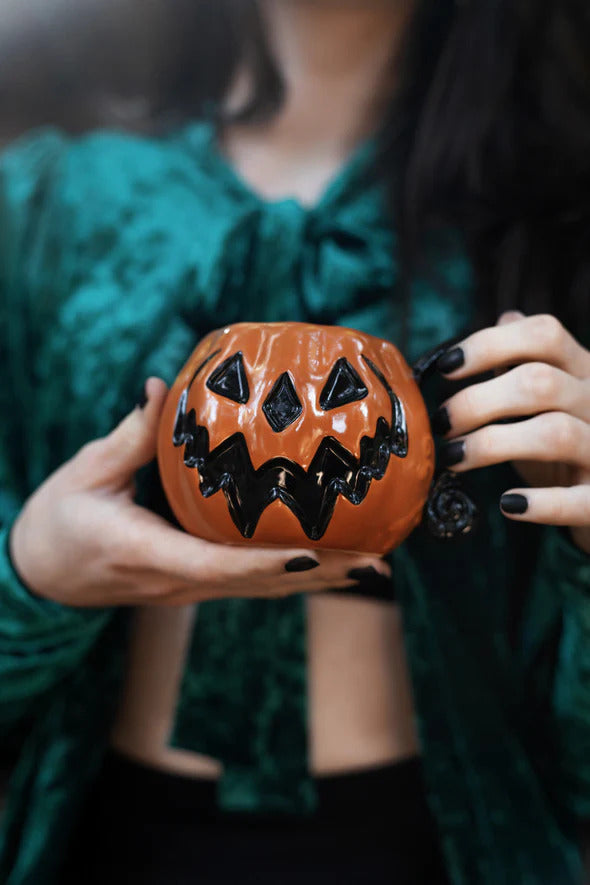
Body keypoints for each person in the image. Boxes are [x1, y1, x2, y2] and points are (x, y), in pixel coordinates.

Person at [1, 0, 590, 882]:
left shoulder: (561, 222)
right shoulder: (52, 207)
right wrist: (30, 574)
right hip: (99, 832)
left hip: (440, 844)